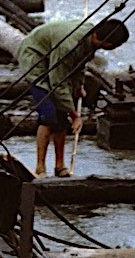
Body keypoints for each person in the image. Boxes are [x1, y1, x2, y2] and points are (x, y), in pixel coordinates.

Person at [15, 18, 129, 177]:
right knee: (48, 115)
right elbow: (57, 83)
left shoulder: (90, 40)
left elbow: (79, 66)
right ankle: (40, 167)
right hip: (36, 57)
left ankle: (59, 166)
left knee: (61, 117)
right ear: (107, 44)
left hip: (55, 60)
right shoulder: (69, 45)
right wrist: (75, 114)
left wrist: (78, 87)